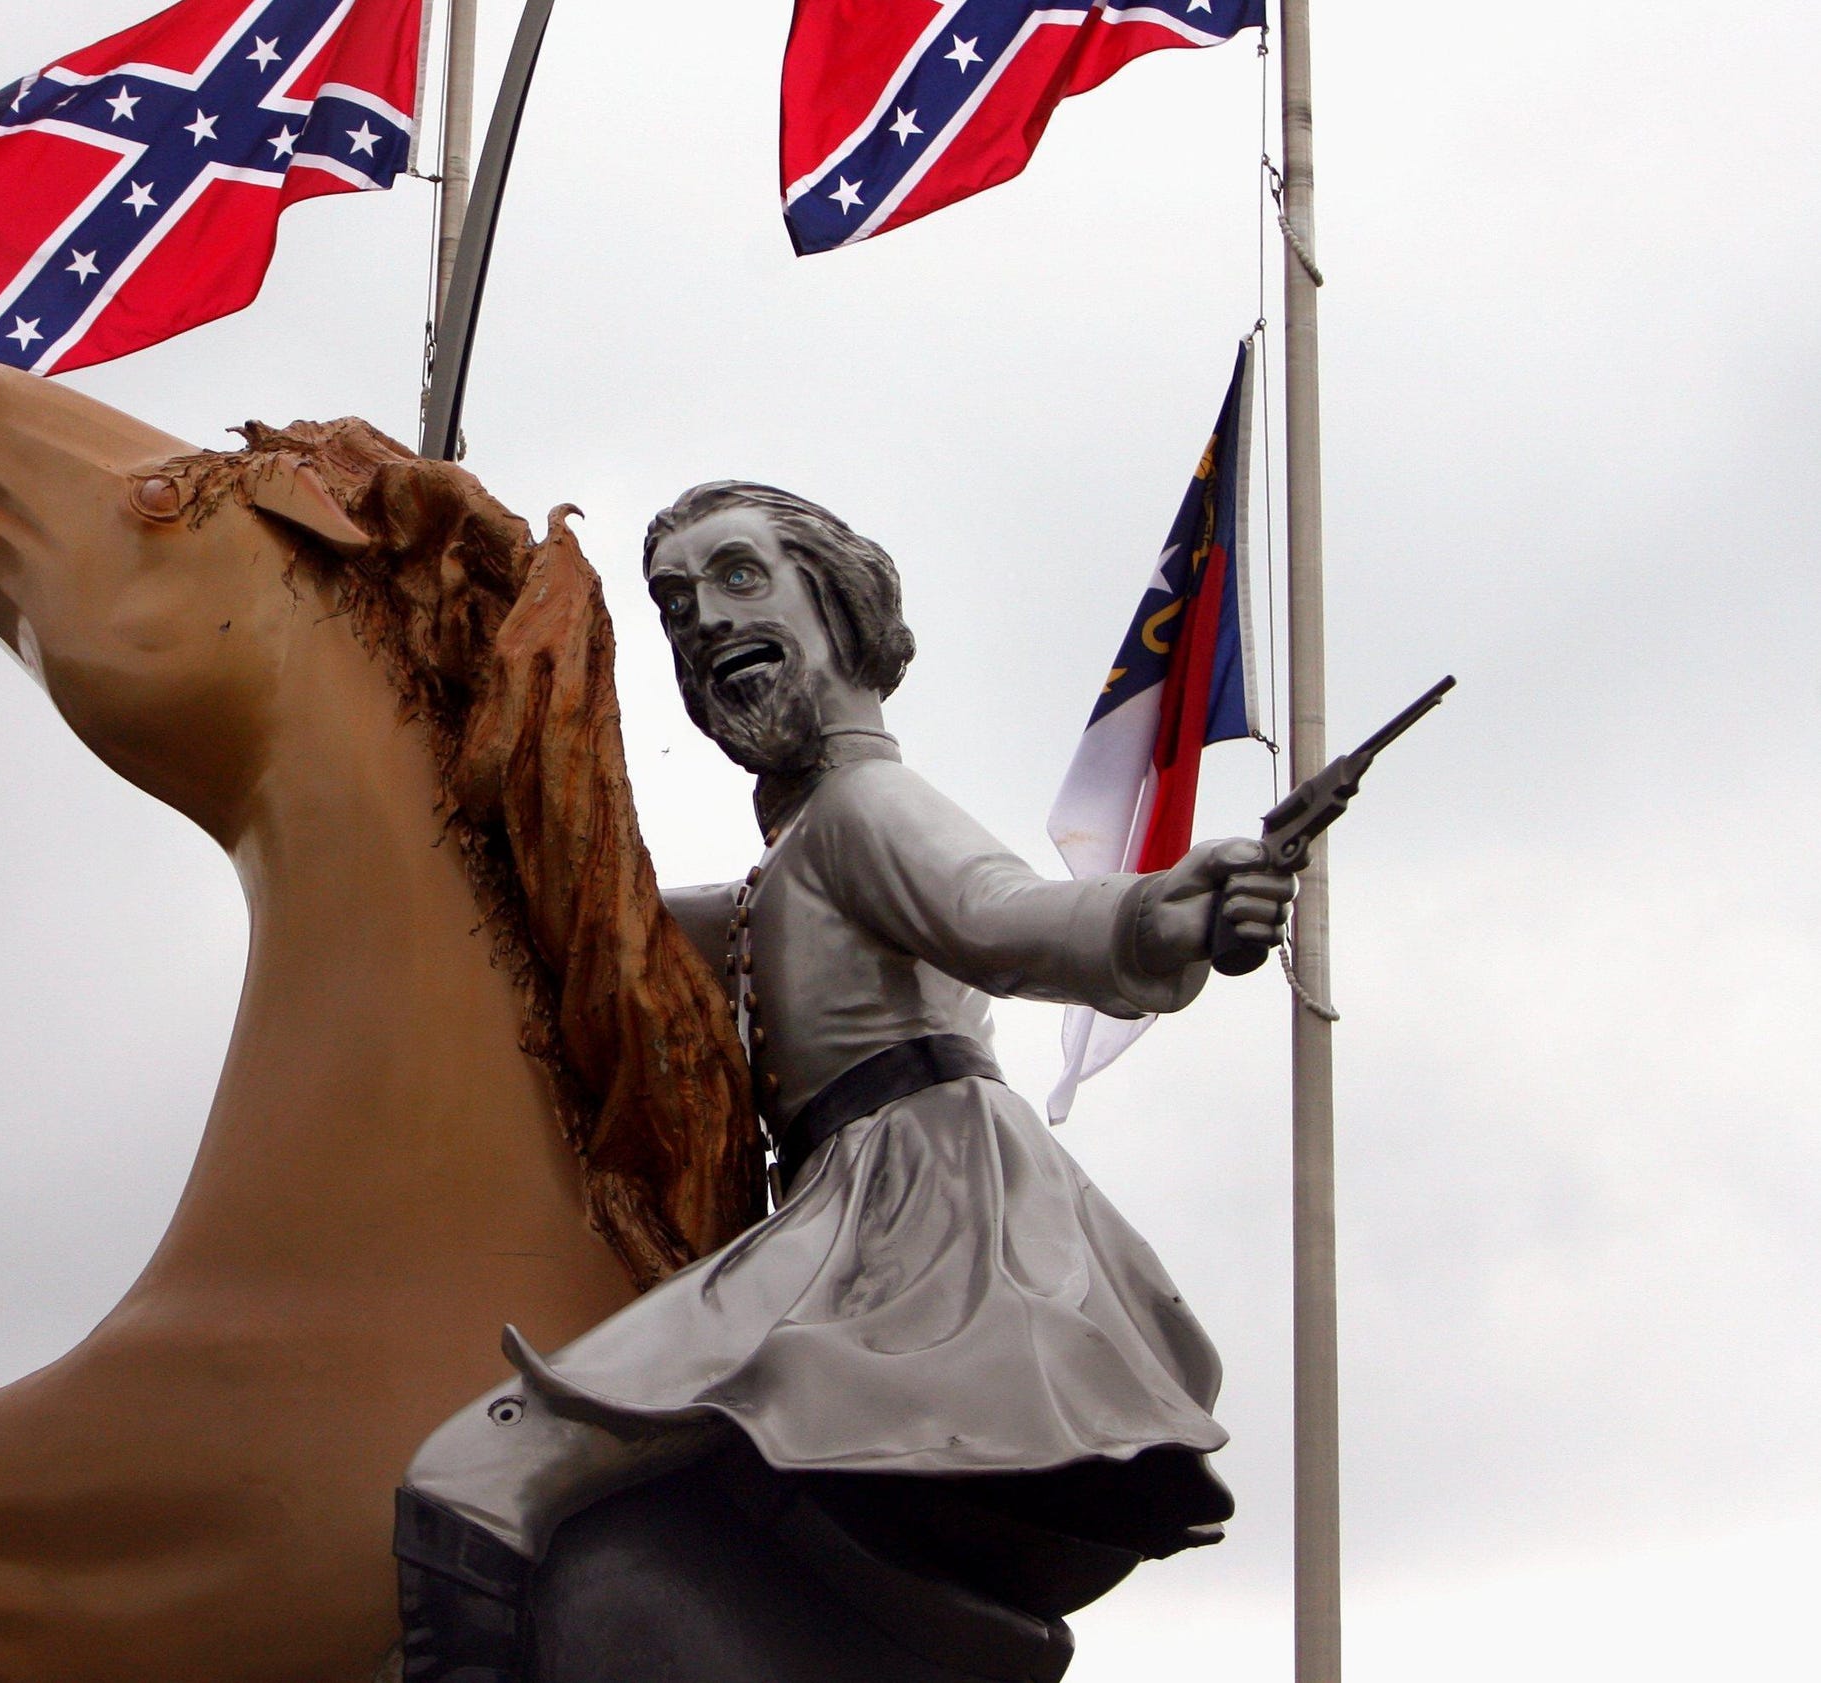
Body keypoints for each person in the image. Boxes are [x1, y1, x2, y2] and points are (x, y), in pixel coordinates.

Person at [392, 482, 1295, 1683]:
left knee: (481, 1470)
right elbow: (623, 937)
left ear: (841, 603)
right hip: (843, 1223)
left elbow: (1001, 915)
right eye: (674, 606)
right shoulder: (789, 865)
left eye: (739, 577)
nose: (703, 620)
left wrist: (1156, 914)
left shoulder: (867, 808)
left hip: (903, 1230)